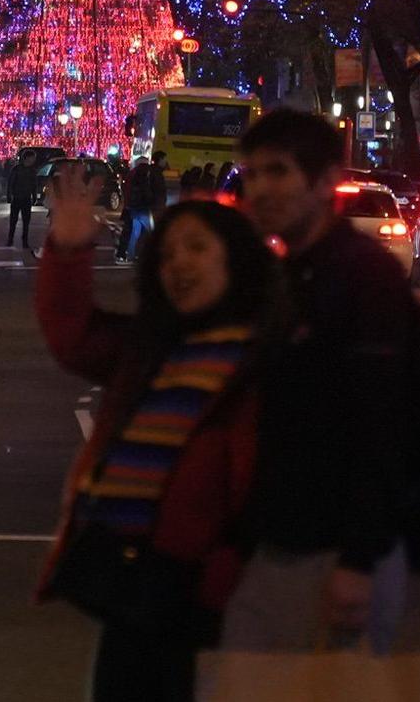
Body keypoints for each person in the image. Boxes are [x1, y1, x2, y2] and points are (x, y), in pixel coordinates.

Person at [35, 163, 283, 702]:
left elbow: (268, 489)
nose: (180, 265)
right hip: (132, 581)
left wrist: (221, 576)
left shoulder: (263, 358)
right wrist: (69, 248)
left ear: (234, 260)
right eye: (168, 254)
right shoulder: (150, 345)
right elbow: (72, 336)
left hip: (209, 594)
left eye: (197, 248)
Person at [224, 109, 417, 656]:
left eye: (279, 172)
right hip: (280, 541)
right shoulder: (289, 272)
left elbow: (381, 424)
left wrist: (358, 561)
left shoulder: (362, 276)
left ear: (327, 179)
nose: (261, 189)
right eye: (253, 174)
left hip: (334, 551)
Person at [116, 156, 153, 263]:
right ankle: (132, 254)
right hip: (140, 207)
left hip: (131, 206)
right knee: (147, 231)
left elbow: (126, 190)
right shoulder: (142, 174)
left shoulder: (132, 173)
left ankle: (127, 254)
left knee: (132, 231)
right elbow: (144, 191)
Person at [6, 149, 38, 250]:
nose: (33, 160)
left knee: (26, 221)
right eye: (32, 158)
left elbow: (34, 185)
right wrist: (9, 195)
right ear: (27, 158)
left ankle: (25, 241)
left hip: (26, 198)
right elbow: (10, 183)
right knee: (13, 220)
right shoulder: (17, 169)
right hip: (17, 198)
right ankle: (10, 239)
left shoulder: (32, 170)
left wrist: (34, 196)